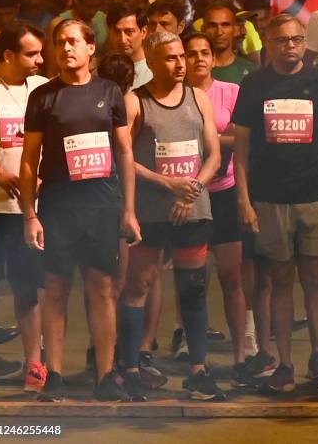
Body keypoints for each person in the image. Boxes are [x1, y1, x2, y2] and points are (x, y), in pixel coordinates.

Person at [19, 18, 142, 402]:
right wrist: (30, 215)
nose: (66, 48)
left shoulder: (109, 92)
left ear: (91, 48)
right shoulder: (43, 97)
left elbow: (124, 152)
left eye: (74, 41)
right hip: (58, 206)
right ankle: (53, 374)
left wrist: (129, 210)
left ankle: (105, 377)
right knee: (55, 289)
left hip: (103, 205)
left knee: (103, 288)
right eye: (60, 42)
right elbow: (28, 160)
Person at [233, 13, 318, 394]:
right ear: (268, 42)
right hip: (270, 199)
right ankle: (284, 363)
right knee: (280, 282)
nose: (291, 46)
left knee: (317, 282)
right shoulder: (254, 84)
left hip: (316, 196)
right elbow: (241, 150)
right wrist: (245, 200)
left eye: (298, 40)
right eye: (283, 40)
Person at [121, 30, 224, 400]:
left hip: (193, 211)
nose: (180, 64)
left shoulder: (199, 98)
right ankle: (130, 368)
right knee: (138, 286)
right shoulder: (136, 102)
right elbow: (125, 159)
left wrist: (192, 188)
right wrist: (167, 185)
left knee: (193, 290)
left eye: (182, 56)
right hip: (151, 213)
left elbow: (213, 154)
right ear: (150, 61)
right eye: (170, 58)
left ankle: (199, 369)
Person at [184, 32, 250, 384]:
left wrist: (207, 142)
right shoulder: (177, 96)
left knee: (231, 277)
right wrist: (217, 142)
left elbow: (242, 136)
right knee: (191, 280)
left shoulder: (230, 92)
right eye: (191, 53)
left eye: (204, 52)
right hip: (187, 193)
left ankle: (241, 354)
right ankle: (197, 359)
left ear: (212, 57)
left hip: (224, 192)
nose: (198, 59)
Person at [0, 23, 47, 389]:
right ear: (8, 55)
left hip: (31, 213)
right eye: (31, 54)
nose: (40, 60)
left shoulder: (41, 89)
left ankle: (34, 364)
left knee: (29, 287)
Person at [45, 0, 112, 76]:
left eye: (97, 6)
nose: (92, 12)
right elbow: (52, 71)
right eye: (88, 6)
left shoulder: (104, 20)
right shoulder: (58, 25)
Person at [202, 1, 256, 85]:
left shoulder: (252, 71)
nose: (219, 32)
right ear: (203, 29)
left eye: (225, 25)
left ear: (235, 29)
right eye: (212, 26)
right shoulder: (192, 71)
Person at [106, 5, 152, 89]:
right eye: (117, 32)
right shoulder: (101, 71)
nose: (123, 40)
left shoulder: (154, 72)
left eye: (129, 31)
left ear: (144, 32)